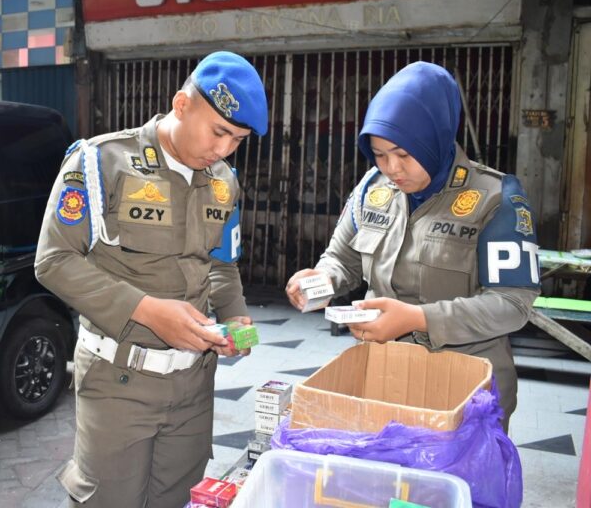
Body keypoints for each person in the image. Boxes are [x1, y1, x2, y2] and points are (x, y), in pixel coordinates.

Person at [35, 51, 268, 507]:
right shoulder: (101, 162)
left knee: (177, 499)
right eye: (218, 131)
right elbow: (54, 260)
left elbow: (220, 263)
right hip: (118, 382)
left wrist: (236, 317)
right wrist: (146, 311)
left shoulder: (224, 181)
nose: (223, 150)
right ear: (182, 104)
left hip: (194, 385)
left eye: (238, 140)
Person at [286, 61, 539, 431]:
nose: (391, 168)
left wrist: (419, 319)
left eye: (404, 154)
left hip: (466, 392)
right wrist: (321, 281)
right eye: (379, 153)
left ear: (435, 138)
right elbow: (342, 259)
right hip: (383, 379)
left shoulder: (495, 198)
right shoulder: (372, 189)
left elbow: (513, 305)